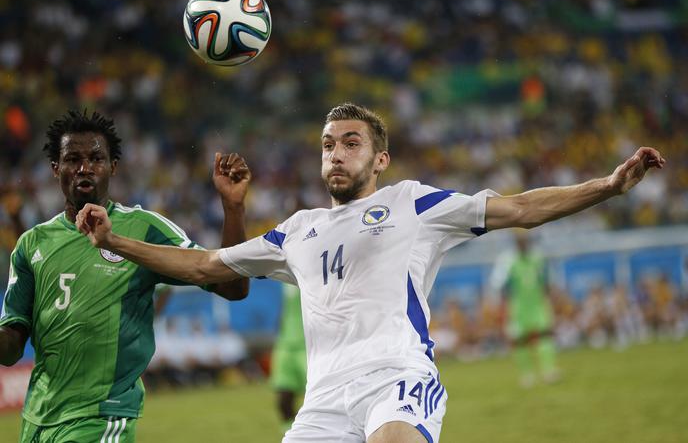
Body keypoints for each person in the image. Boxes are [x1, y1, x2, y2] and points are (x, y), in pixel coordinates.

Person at [75, 103, 666, 443]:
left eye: (351, 142)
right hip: (324, 399)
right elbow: (205, 264)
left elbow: (520, 208)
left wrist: (608, 186)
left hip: (397, 377)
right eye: (328, 143)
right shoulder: (297, 229)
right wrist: (113, 240)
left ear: (379, 159)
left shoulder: (414, 202)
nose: (336, 152)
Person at [0, 110, 251, 442]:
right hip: (37, 419)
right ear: (55, 169)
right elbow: (10, 349)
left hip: (102, 416)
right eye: (72, 159)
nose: (84, 168)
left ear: (113, 167)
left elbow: (232, 285)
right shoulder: (32, 244)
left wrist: (233, 208)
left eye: (96, 158)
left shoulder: (145, 228)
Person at [490, 230, 559, 387]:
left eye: (525, 239)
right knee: (520, 341)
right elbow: (498, 284)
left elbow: (547, 280)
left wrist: (549, 298)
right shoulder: (507, 260)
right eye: (519, 239)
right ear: (515, 242)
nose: (523, 242)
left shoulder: (538, 257)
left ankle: (549, 371)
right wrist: (503, 306)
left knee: (544, 336)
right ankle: (527, 375)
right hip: (517, 308)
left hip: (538, 304)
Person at [271, 283, 307, 433]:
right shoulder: (283, 277)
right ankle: (291, 432)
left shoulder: (313, 272)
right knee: (283, 395)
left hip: (308, 344)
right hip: (285, 344)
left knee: (321, 393)